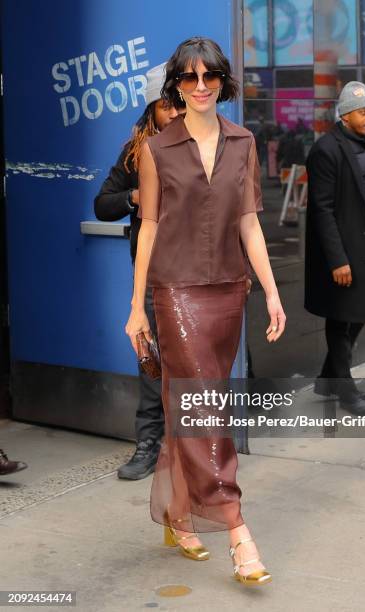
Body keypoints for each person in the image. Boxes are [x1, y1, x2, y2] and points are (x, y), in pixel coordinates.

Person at [125, 37, 286, 586]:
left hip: (228, 291)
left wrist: (271, 289)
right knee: (205, 410)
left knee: (193, 405)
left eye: (209, 77)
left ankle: (176, 515)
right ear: (176, 83)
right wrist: (136, 307)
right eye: (189, 78)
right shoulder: (157, 149)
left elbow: (249, 223)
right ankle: (238, 530)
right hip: (176, 293)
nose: (199, 86)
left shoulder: (244, 142)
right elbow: (147, 228)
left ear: (223, 82)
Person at [94, 63, 181, 480]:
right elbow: (102, 204)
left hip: (197, 274)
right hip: (150, 276)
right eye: (166, 106)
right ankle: (148, 443)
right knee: (151, 360)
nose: (175, 113)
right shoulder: (136, 152)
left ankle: (196, 449)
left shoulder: (209, 146)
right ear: (151, 111)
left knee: (194, 362)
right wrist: (134, 193)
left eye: (179, 104)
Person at [305, 81, 365, 417]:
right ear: (345, 115)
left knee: (358, 312)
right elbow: (322, 210)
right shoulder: (327, 150)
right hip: (344, 252)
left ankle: (329, 378)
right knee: (342, 318)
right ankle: (345, 389)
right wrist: (338, 260)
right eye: (363, 111)